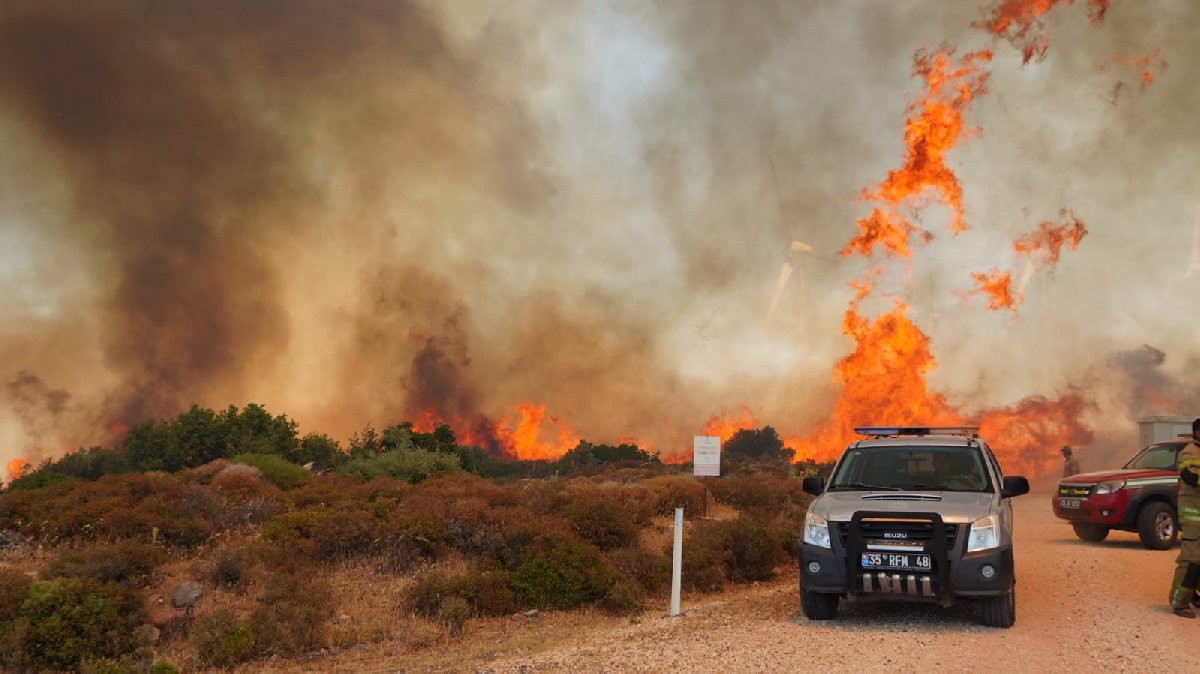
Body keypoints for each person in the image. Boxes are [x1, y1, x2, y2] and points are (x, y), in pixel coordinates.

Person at [1169, 418, 1200, 617]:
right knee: (1190, 560)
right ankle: (1178, 602)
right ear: (1197, 432)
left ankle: (1193, 596)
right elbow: (1191, 477)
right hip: (1194, 517)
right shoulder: (1189, 452)